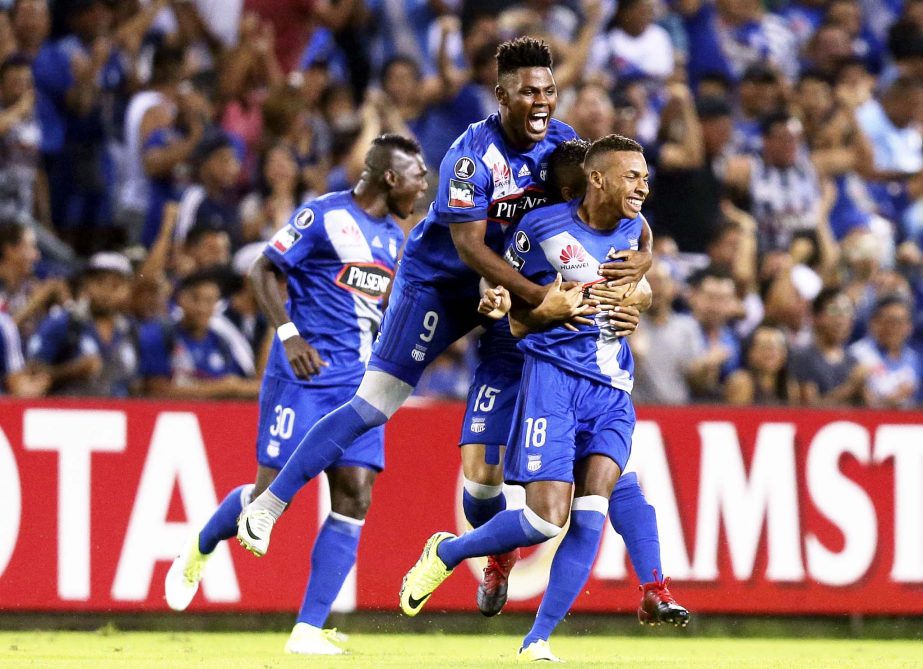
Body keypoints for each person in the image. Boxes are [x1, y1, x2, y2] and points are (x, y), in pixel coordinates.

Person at [235, 37, 645, 607]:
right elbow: (470, 247)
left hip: (513, 297)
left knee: (482, 479)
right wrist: (540, 298)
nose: (543, 101)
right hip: (441, 285)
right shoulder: (471, 155)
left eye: (549, 90)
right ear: (501, 95)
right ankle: (269, 503)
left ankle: (494, 563)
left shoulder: (568, 148)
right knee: (374, 402)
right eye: (529, 91)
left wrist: (636, 276)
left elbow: (621, 221)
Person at [398, 134, 659, 662]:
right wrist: (515, 301)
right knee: (479, 485)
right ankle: (492, 554)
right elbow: (499, 297)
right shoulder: (527, 217)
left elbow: (637, 258)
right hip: (511, 352)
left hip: (581, 373)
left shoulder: (623, 217)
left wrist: (640, 289)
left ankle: (545, 624)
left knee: (591, 497)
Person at [164, 134, 427, 656]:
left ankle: (307, 629)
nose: (424, 183)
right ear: (390, 177)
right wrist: (289, 334)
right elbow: (263, 268)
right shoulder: (323, 216)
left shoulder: (394, 240)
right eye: (417, 173)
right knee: (269, 496)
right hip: (303, 377)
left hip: (359, 387)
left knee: (355, 493)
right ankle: (198, 549)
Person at [27, 251, 138, 397]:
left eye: (115, 285)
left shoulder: (129, 330)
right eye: (99, 283)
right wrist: (71, 370)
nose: (106, 292)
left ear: (127, 289)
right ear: (86, 284)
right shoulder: (65, 321)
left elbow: (135, 382)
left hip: (118, 415)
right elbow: (32, 371)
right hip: (69, 413)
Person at [137, 270, 260, 400]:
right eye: (195, 298)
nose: (201, 308)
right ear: (181, 298)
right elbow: (156, 392)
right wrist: (221, 388)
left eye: (209, 301)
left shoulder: (222, 342)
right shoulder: (160, 335)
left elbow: (239, 385)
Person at [790, 287, 865, 406]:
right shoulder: (802, 357)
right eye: (834, 311)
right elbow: (809, 409)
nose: (841, 320)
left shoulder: (854, 361)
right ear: (815, 317)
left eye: (847, 311)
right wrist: (851, 386)